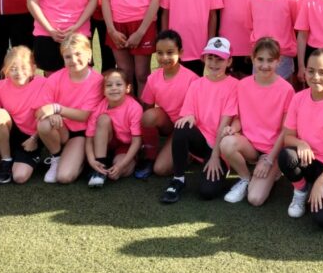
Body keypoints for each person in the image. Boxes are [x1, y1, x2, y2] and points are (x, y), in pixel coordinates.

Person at [278, 49, 323, 228]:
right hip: (308, 160)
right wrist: (301, 143)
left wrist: (321, 182)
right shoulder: (298, 99)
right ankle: (301, 190)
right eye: (311, 71)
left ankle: (321, 188)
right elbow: (287, 138)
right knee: (286, 156)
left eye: (322, 72)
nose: (315, 77)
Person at [161, 37, 239, 203]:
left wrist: (216, 156)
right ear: (203, 59)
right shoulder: (196, 84)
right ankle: (178, 179)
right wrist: (191, 116)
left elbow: (225, 124)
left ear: (229, 61)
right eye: (210, 58)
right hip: (201, 142)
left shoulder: (235, 86)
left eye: (220, 59)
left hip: (221, 146)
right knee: (181, 126)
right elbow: (189, 113)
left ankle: (212, 164)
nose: (214, 63)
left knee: (207, 192)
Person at [219, 38, 294, 205]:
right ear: (252, 58)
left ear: (278, 61)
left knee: (255, 199)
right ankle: (245, 178)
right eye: (260, 59)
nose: (265, 65)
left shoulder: (287, 90)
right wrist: (232, 129)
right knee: (226, 142)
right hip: (250, 146)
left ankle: (273, 170)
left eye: (270, 60)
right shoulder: (243, 85)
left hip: (271, 151)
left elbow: (285, 130)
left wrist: (269, 160)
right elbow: (239, 119)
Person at [35, 34, 104, 184]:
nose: (73, 60)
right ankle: (56, 157)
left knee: (64, 177)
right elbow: (41, 110)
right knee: (44, 123)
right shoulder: (55, 78)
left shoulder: (97, 80)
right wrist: (51, 114)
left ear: (89, 54)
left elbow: (84, 116)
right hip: (62, 129)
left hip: (82, 133)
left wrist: (56, 109)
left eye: (78, 54)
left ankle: (82, 157)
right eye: (68, 57)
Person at [139, 29, 200, 179]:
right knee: (148, 116)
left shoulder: (192, 79)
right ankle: (150, 156)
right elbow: (147, 108)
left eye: (170, 52)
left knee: (160, 169)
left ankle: (189, 153)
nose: (164, 57)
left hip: (185, 127)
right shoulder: (153, 78)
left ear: (181, 52)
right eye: (160, 53)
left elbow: (199, 113)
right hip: (168, 124)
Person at [0, 46, 48, 184]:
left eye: (24, 67)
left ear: (33, 68)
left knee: (19, 177)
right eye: (13, 68)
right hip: (12, 133)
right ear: (5, 70)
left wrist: (34, 139)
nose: (18, 72)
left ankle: (32, 157)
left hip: (34, 135)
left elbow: (47, 116)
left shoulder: (43, 84)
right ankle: (6, 160)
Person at [85, 69, 143, 188]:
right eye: (109, 85)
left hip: (126, 146)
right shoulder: (99, 107)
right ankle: (100, 164)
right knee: (103, 119)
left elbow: (137, 141)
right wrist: (91, 160)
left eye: (119, 84)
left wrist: (121, 166)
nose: (114, 88)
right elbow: (89, 139)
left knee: (116, 175)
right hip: (107, 143)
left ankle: (111, 163)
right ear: (103, 90)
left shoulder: (135, 108)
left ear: (127, 88)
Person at [247, 0, 299, 81]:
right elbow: (250, 26)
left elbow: (297, 28)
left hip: (283, 58)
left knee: (282, 96)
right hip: (259, 57)